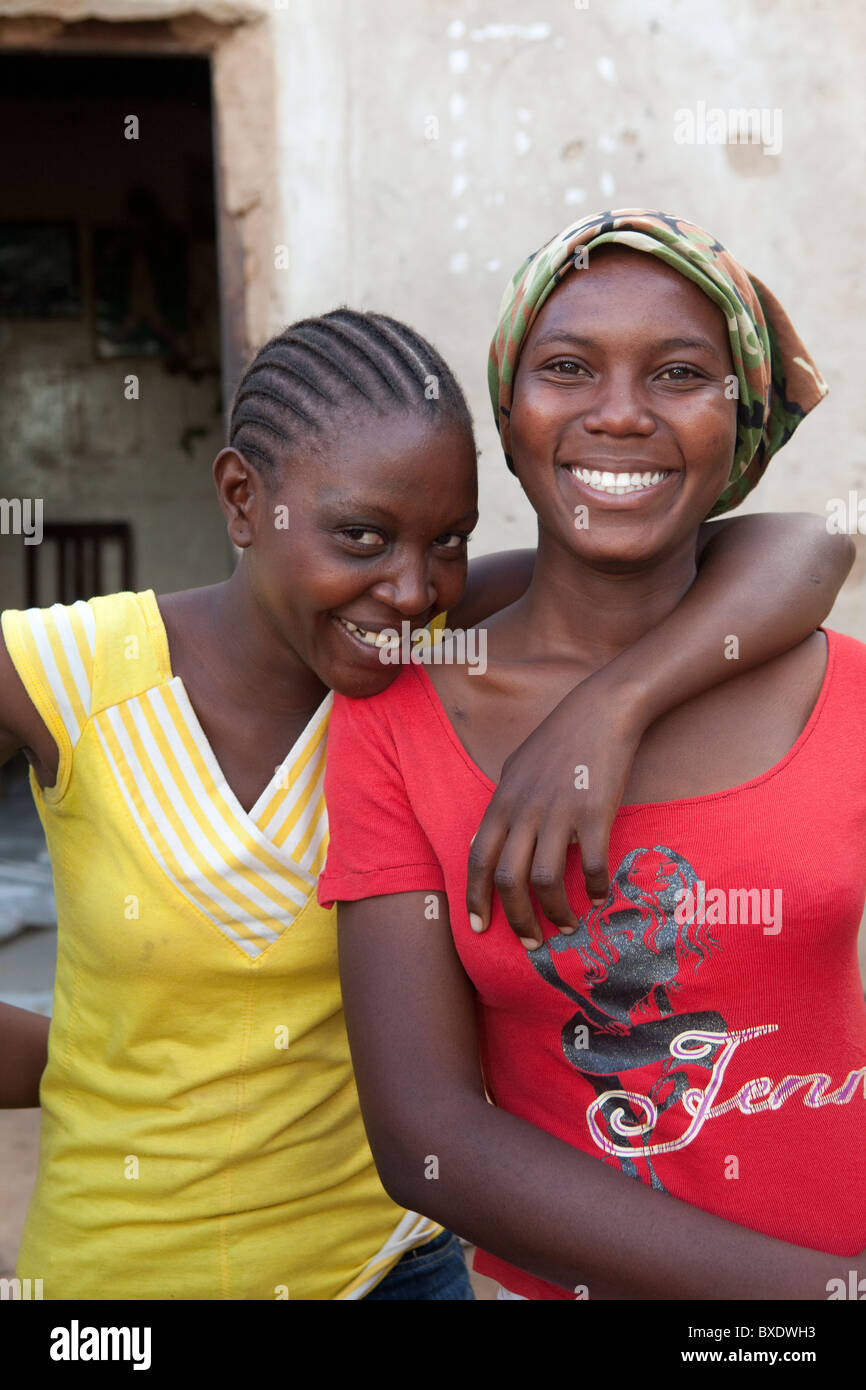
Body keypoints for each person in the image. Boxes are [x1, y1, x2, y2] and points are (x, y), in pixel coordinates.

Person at [0, 295, 852, 1299]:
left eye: (446, 538)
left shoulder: (428, 658)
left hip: (395, 1272)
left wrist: (607, 708)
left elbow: (799, 549)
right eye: (360, 536)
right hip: (120, 1283)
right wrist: (92, 1063)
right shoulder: (74, 674)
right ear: (242, 500)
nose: (409, 588)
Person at [319, 210, 866, 1300]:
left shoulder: (839, 688)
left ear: (737, 416)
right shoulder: (399, 716)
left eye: (677, 373)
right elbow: (426, 1136)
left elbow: (819, 540)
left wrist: (606, 707)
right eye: (566, 367)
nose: (618, 414)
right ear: (511, 416)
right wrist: (824, 1297)